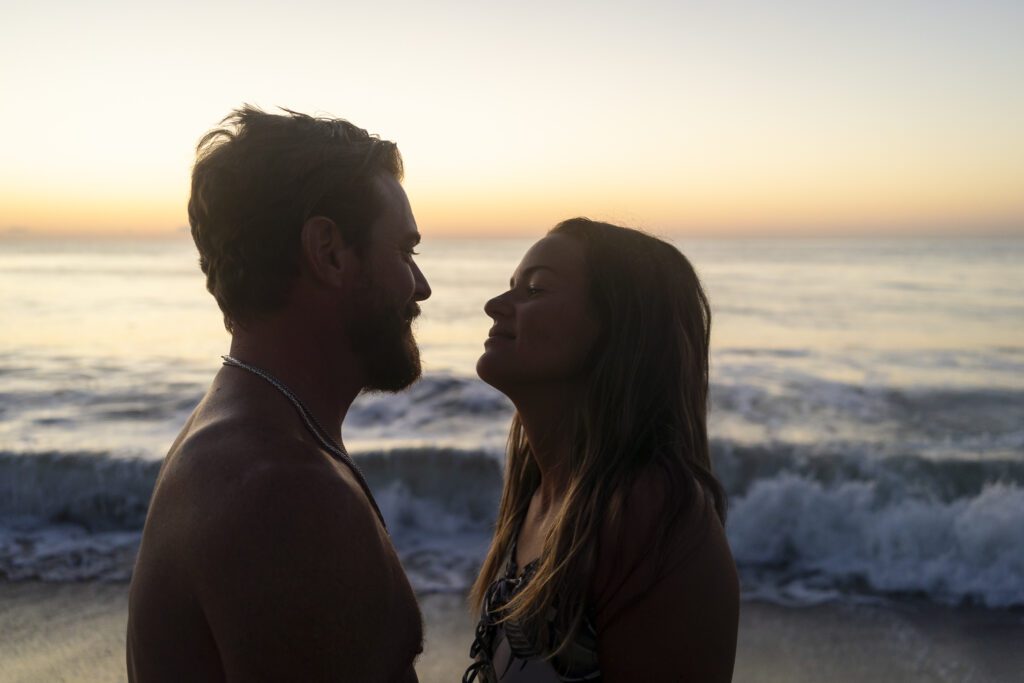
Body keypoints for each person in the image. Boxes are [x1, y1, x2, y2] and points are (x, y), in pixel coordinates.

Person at [127, 106, 430, 682]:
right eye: (405, 252)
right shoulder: (283, 491)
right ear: (329, 251)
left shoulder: (238, 435)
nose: (421, 286)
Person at [464, 218, 739, 682]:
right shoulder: (541, 493)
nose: (495, 306)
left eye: (534, 290)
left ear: (617, 331)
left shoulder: (650, 513)